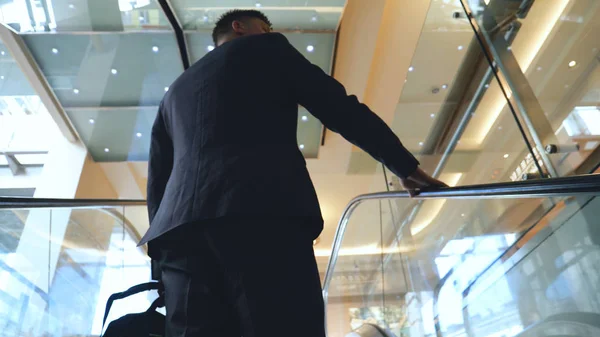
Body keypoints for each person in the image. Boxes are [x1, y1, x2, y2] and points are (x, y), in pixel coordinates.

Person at [138, 9, 447, 337]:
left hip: (179, 238)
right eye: (265, 27)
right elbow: (338, 107)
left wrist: (160, 256)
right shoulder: (268, 48)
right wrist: (405, 166)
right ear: (240, 27)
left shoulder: (173, 92)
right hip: (260, 214)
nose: (270, 32)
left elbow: (158, 177)